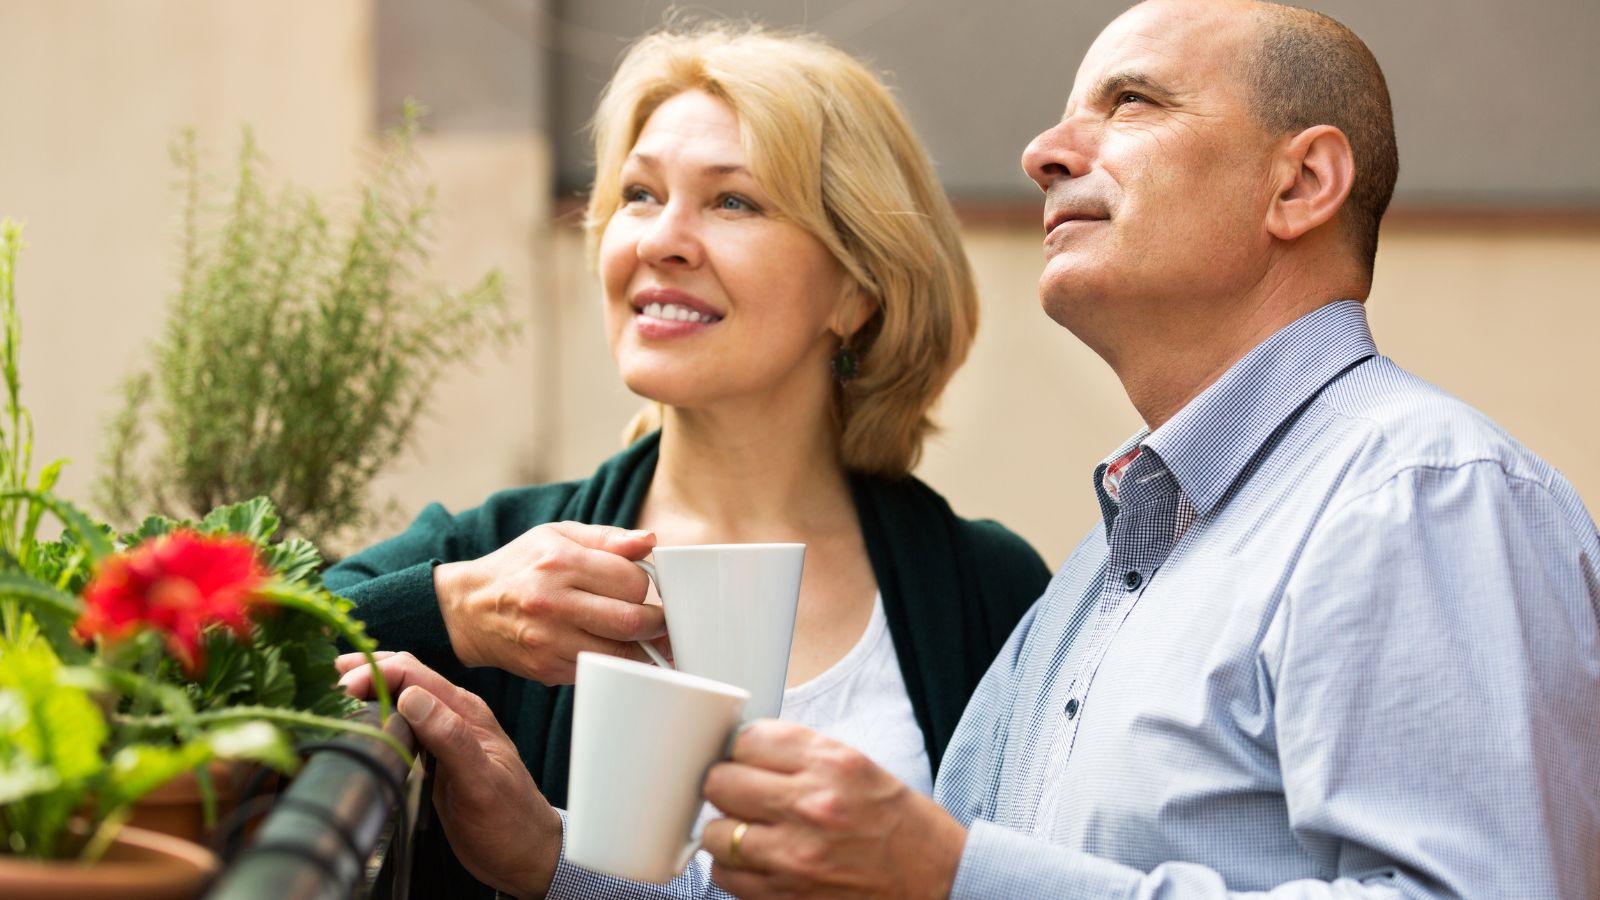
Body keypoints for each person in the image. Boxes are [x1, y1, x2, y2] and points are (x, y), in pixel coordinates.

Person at [341, 0, 1600, 897]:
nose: (1044, 151)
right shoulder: (1099, 581)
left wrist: (949, 873)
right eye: (635, 192)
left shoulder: (1417, 496)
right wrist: (552, 860)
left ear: (1300, 184)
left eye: (1131, 103)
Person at [324, 22, 1052, 898]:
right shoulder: (497, 557)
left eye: (733, 201)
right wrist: (452, 610)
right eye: (638, 194)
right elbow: (176, 658)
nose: (660, 241)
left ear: (858, 290)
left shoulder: (986, 590)